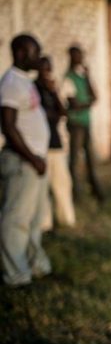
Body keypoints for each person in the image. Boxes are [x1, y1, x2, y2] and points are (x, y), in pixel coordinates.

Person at [0, 34, 52, 287]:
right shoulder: (10, 83)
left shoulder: (26, 82)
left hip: (35, 161)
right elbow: (8, 126)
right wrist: (32, 157)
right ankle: (15, 275)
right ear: (20, 53)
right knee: (16, 219)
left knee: (33, 219)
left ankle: (34, 265)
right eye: (34, 52)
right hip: (23, 162)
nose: (38, 57)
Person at [35, 56, 76, 228]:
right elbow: (42, 115)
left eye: (49, 69)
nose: (47, 72)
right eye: (44, 69)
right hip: (39, 146)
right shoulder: (33, 88)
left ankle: (66, 219)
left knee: (62, 183)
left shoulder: (52, 89)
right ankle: (45, 223)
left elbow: (62, 112)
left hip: (55, 143)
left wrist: (53, 92)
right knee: (42, 189)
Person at [62, 45, 104, 202]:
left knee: (91, 159)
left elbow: (94, 96)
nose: (80, 58)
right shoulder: (68, 78)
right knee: (74, 160)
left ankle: (95, 190)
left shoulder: (82, 77)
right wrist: (88, 102)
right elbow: (74, 104)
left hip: (86, 122)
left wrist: (88, 77)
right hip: (75, 124)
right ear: (72, 57)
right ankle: (75, 194)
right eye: (77, 55)